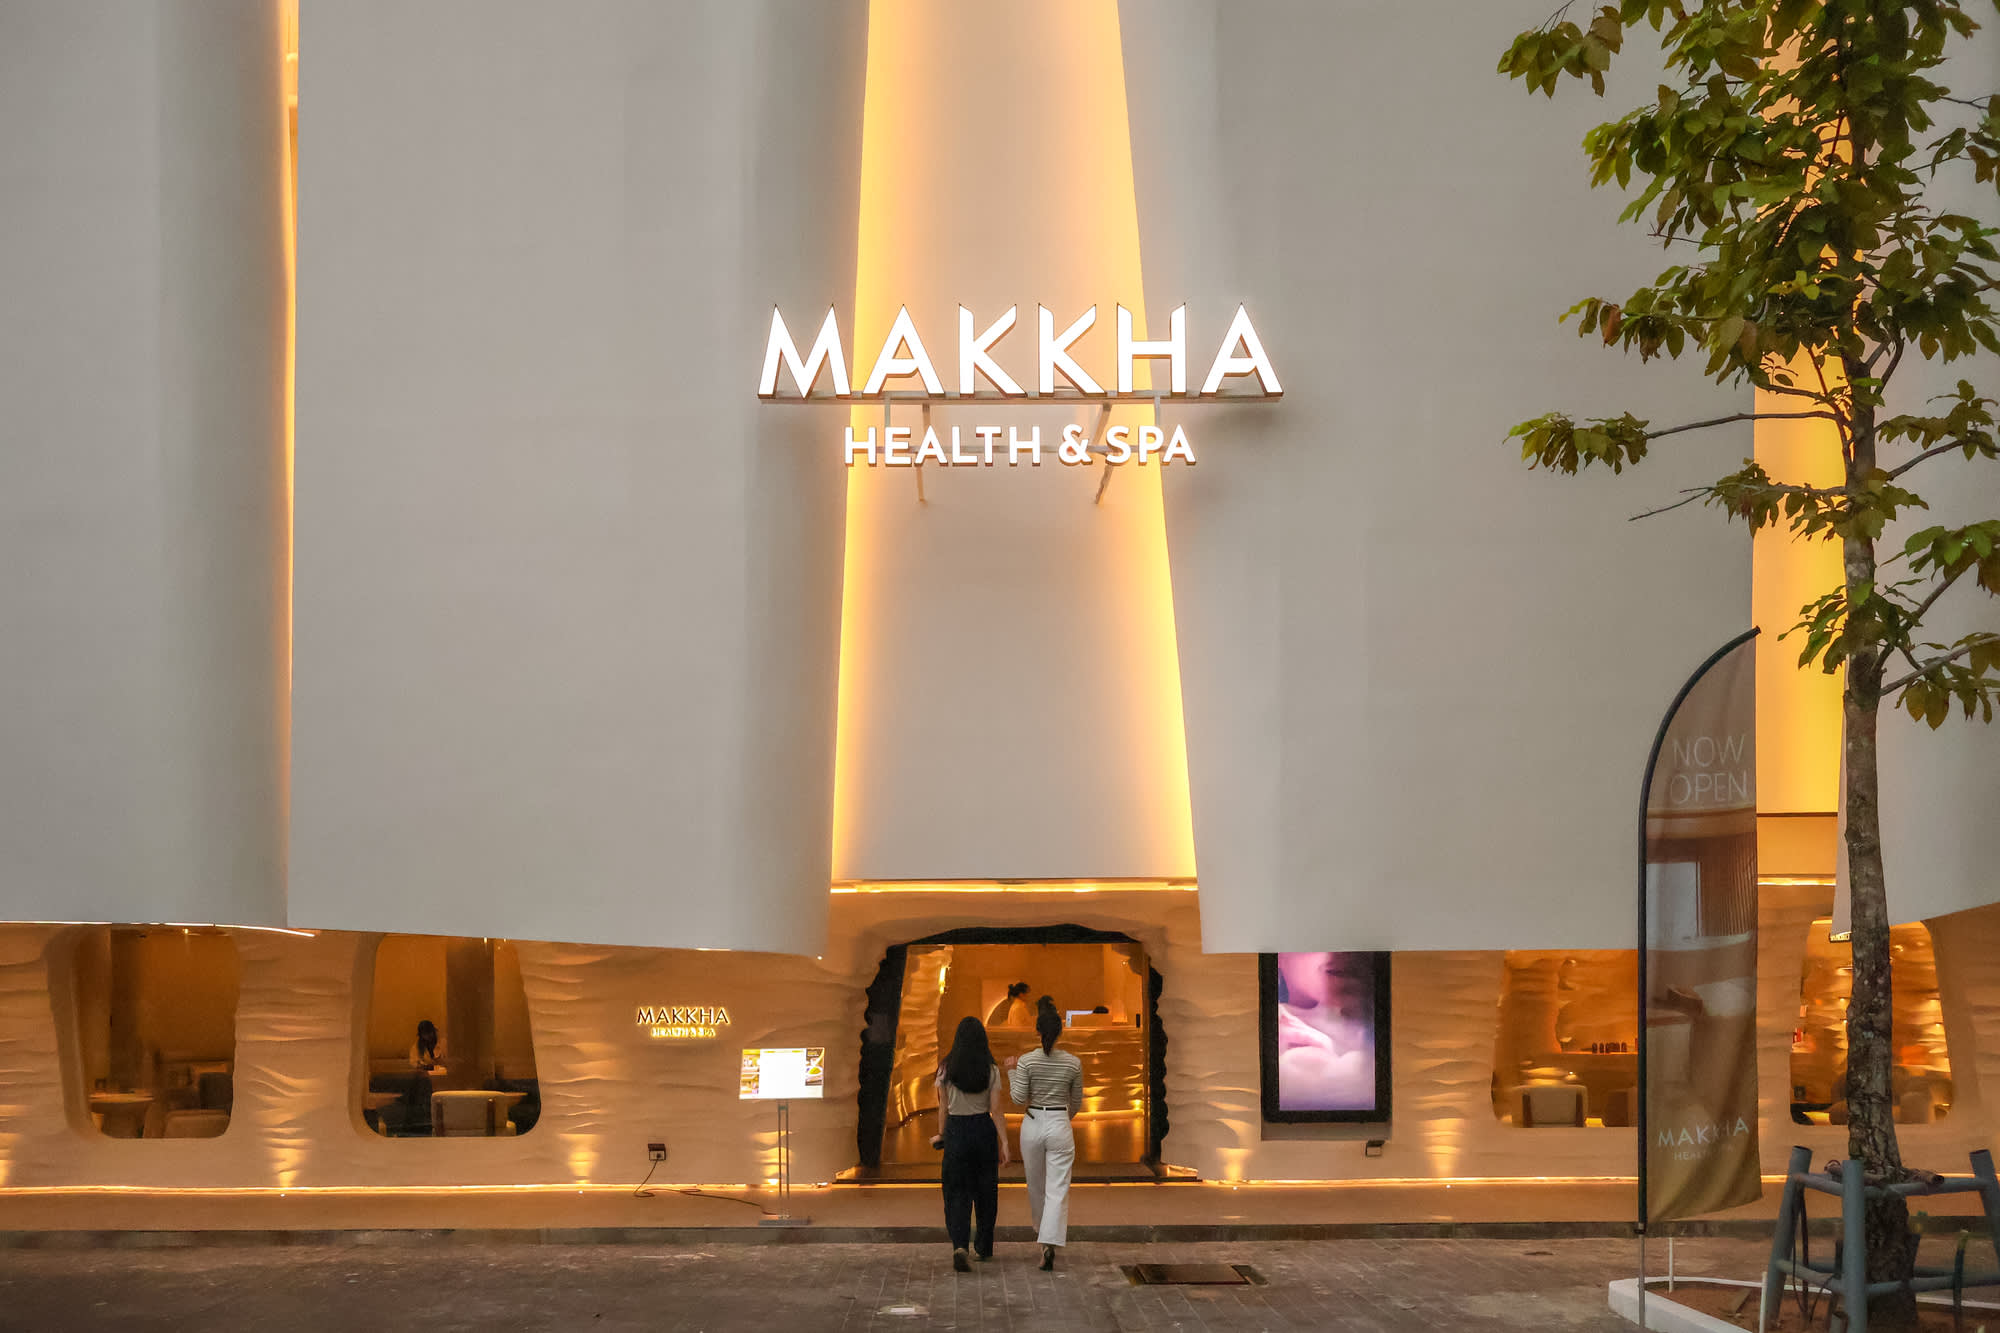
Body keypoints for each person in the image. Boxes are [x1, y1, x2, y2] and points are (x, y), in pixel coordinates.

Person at [1008, 995, 1082, 1271]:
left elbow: (1018, 1098)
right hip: (1059, 1121)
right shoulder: (1073, 1063)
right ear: (1060, 1032)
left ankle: (1042, 1236)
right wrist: (1062, 1118)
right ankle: (1049, 1242)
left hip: (1033, 1121)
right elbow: (1077, 1101)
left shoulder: (1027, 1061)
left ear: (1037, 1031)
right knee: (1058, 1187)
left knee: (1036, 1185)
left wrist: (1011, 1072)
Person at [930, 1015, 1010, 1271]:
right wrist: (1004, 1142)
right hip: (983, 1129)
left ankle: (959, 1245)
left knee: (956, 1190)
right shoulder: (991, 1069)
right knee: (986, 1191)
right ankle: (983, 1247)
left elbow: (943, 1107)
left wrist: (941, 1134)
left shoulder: (945, 1068)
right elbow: (996, 1109)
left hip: (956, 1130)